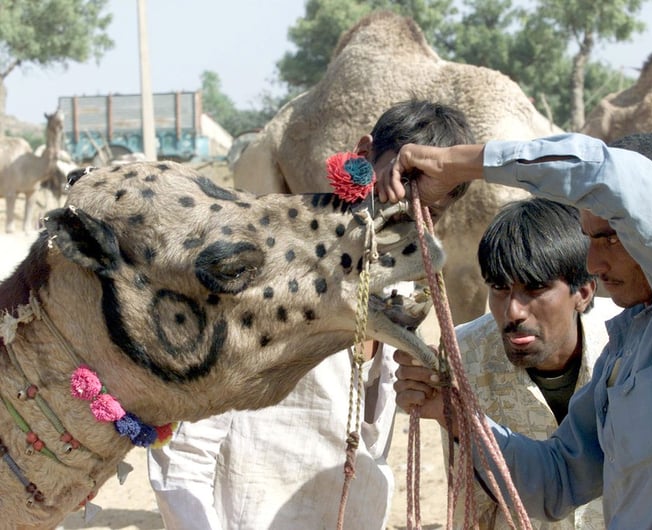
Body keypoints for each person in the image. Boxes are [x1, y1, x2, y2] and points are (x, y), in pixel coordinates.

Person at [383, 132, 652, 529]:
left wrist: (454, 164)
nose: (593, 264)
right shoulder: (625, 349)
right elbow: (557, 479)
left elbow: (617, 177)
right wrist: (456, 415)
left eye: (609, 238)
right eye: (589, 239)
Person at [147, 99, 476, 530]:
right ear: (363, 156)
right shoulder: (262, 270)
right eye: (395, 191)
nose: (406, 222)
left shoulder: (404, 295)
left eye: (429, 212)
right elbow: (185, 452)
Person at [448, 197, 619, 530]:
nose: (513, 312)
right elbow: (471, 505)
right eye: (499, 288)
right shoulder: (465, 356)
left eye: (536, 287)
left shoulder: (626, 345)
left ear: (584, 293)